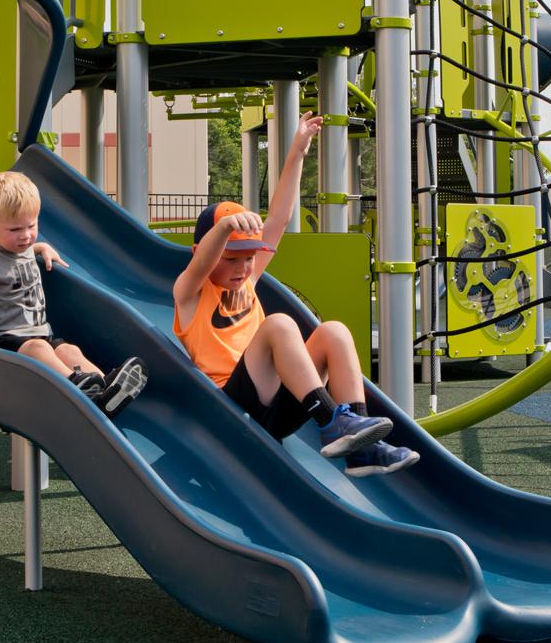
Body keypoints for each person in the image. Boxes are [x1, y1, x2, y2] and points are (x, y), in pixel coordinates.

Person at [173, 113, 418, 477]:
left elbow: (280, 219)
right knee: (279, 325)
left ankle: (361, 446)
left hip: (279, 409)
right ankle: (330, 421)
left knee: (333, 330)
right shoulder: (190, 294)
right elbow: (203, 261)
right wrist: (224, 226)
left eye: (249, 259)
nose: (242, 269)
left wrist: (298, 152)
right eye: (231, 259)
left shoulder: (247, 280)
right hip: (231, 410)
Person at [0, 171, 146, 415]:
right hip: (5, 338)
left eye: (32, 225)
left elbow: (29, 249)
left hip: (40, 333)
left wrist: (44, 247)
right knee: (39, 348)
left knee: (69, 350)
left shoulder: (23, 247)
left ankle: (107, 388)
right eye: (15, 229)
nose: (25, 235)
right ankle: (77, 385)